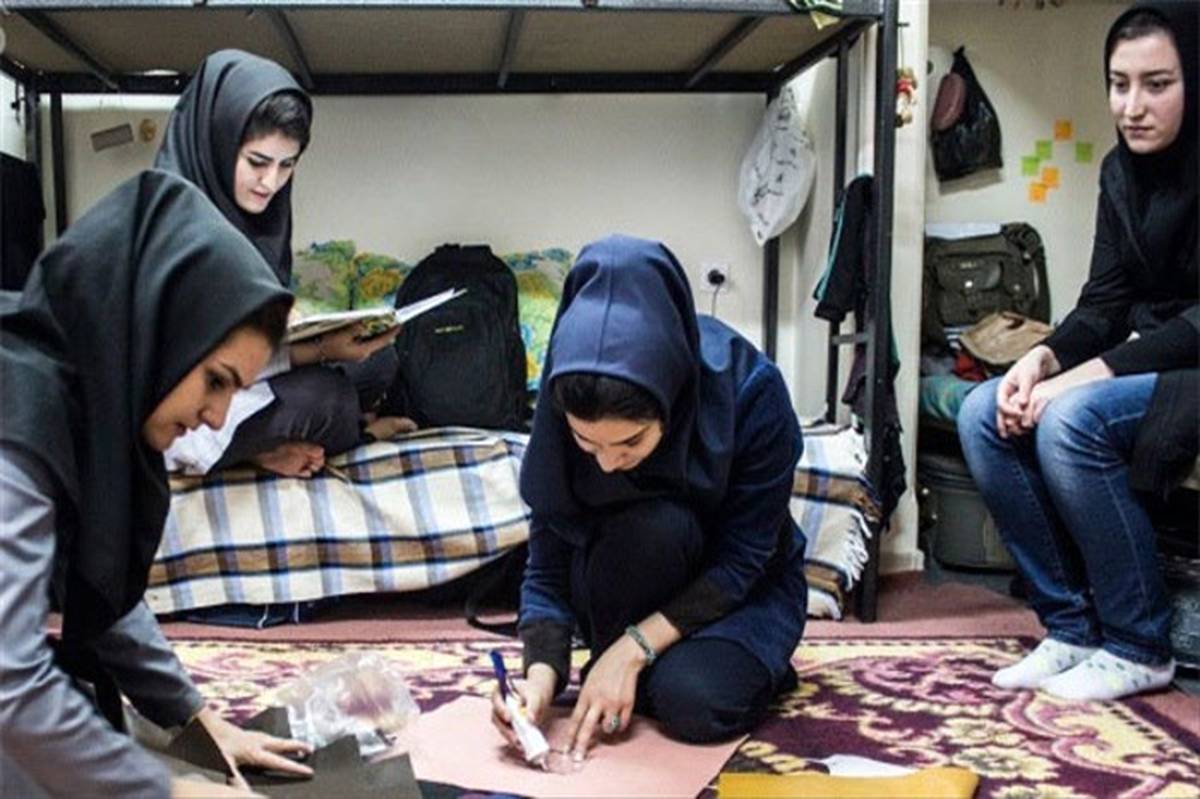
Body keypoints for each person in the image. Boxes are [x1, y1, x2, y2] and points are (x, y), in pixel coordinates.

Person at [0, 170, 315, 796]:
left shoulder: (81, 395)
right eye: (216, 381)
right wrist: (166, 790)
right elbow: (7, 682)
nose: (217, 418)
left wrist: (195, 718)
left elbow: (99, 582)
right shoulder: (19, 416)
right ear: (153, 331)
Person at [957, 1, 1196, 702]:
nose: (1132, 106)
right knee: (982, 411)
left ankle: (1139, 644)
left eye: (1157, 84)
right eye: (1119, 84)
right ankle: (1073, 626)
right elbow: (1103, 304)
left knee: (1070, 418)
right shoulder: (1121, 173)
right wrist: (1040, 360)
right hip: (1155, 360)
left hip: (1191, 364)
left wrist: (1084, 378)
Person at [490, 235, 807, 756]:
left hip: (740, 590)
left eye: (631, 443)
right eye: (586, 443)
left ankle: (707, 662)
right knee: (652, 526)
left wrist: (631, 650)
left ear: (672, 395)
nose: (606, 464)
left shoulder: (752, 390)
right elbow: (547, 566)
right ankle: (639, 668)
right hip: (629, 575)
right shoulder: (566, 395)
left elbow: (744, 560)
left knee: (696, 703)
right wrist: (539, 679)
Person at [157, 49, 408, 479]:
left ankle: (323, 428)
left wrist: (323, 344)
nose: (270, 183)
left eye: (286, 165)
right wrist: (258, 449)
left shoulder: (260, 220)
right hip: (188, 416)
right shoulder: (168, 230)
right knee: (328, 399)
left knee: (378, 361)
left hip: (248, 381)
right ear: (217, 143)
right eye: (257, 162)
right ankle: (311, 441)